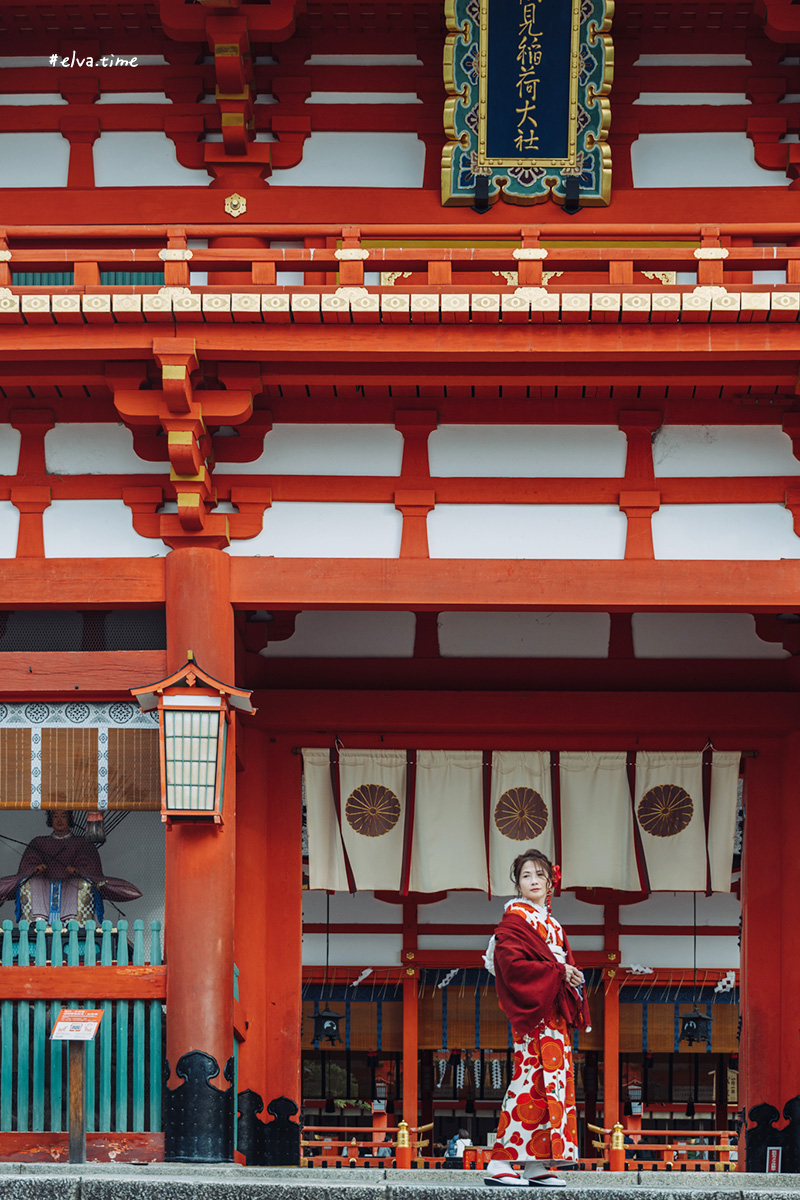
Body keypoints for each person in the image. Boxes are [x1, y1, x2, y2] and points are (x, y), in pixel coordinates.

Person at [484, 849, 590, 1188]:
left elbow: (563, 967)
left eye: (540, 876)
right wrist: (558, 971)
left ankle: (537, 1164)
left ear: (550, 884)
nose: (533, 881)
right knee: (528, 1085)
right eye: (526, 875)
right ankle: (502, 1160)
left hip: (554, 1019)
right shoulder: (514, 921)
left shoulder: (554, 925)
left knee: (554, 1089)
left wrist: (569, 976)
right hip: (534, 1018)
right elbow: (511, 965)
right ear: (517, 883)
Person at [0, 809, 141, 925]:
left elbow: (89, 862)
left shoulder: (82, 842)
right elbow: (29, 861)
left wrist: (79, 870)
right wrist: (35, 869)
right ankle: (37, 923)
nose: (59, 820)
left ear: (71, 818)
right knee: (30, 883)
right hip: (43, 886)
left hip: (71, 885)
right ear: (50, 819)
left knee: (84, 884)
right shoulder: (39, 842)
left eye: (63, 816)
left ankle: (75, 923)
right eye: (55, 816)